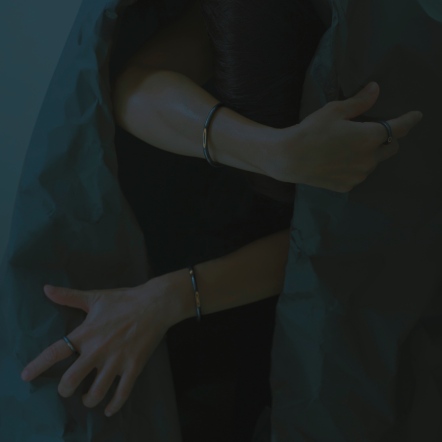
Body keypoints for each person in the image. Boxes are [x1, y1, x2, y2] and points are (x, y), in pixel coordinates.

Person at [20, 0, 422, 437]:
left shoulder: (389, 51)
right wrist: (271, 152)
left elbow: (357, 235)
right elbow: (135, 90)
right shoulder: (245, 18)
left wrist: (169, 297)